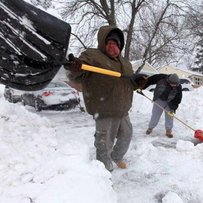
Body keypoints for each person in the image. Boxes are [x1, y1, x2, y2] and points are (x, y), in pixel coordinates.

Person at [64, 25, 136, 172]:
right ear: (102, 43)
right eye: (108, 42)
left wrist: (137, 83)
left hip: (123, 110)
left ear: (120, 46)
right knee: (104, 143)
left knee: (126, 135)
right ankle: (103, 171)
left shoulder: (126, 63)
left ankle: (117, 157)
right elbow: (77, 73)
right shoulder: (93, 56)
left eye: (115, 43)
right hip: (104, 109)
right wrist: (75, 68)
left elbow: (129, 83)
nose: (111, 46)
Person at [143, 73, 182, 138]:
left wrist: (173, 108)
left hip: (170, 102)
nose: (173, 85)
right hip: (159, 99)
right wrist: (142, 87)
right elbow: (150, 80)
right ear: (169, 81)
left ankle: (168, 130)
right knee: (155, 115)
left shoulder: (178, 87)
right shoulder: (161, 78)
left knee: (170, 116)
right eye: (172, 83)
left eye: (175, 84)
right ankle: (150, 128)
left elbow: (178, 99)